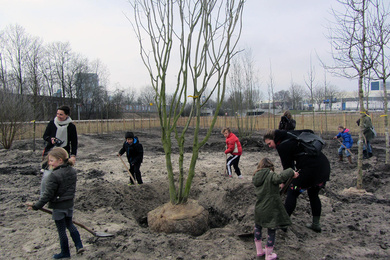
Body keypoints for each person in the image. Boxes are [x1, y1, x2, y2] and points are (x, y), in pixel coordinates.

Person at [263, 129, 330, 233]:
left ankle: (283, 223)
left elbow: (288, 168)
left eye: (269, 143)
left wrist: (283, 182)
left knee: (292, 190)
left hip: (311, 169)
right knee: (313, 194)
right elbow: (309, 131)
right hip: (323, 166)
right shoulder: (290, 134)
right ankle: (316, 224)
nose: (269, 146)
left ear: (274, 139)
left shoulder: (282, 146)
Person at [26, 147, 84, 259]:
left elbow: (47, 195)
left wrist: (36, 206)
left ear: (60, 160)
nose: (49, 163)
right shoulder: (73, 171)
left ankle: (65, 253)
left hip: (58, 206)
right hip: (69, 205)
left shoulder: (54, 175)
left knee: (61, 230)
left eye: (51, 160)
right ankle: (79, 245)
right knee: (70, 225)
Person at [253, 157, 299, 260]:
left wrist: (278, 188)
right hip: (270, 209)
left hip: (259, 208)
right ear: (271, 167)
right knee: (271, 230)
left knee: (258, 228)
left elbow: (267, 188)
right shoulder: (271, 174)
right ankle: (269, 255)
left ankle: (259, 251)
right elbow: (279, 177)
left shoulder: (256, 177)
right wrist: (291, 171)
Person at [41, 106, 78, 196]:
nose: (58, 116)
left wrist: (73, 155)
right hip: (50, 152)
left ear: (67, 115)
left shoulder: (71, 126)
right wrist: (51, 139)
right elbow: (45, 136)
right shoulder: (52, 123)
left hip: (63, 154)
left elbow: (74, 142)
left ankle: (60, 195)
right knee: (47, 175)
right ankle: (43, 196)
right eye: (57, 114)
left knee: (62, 176)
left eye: (61, 114)